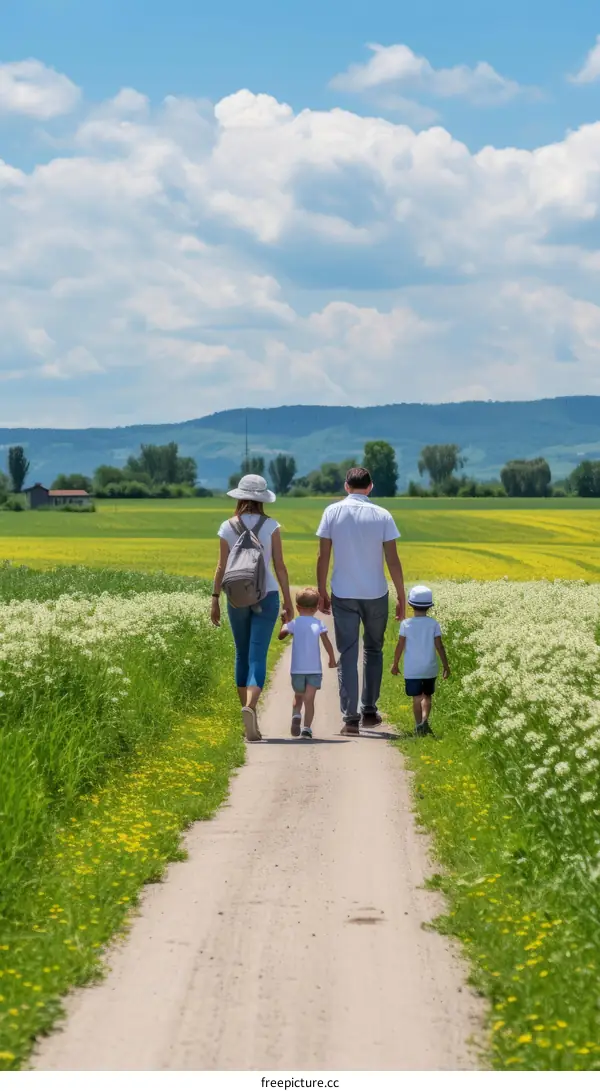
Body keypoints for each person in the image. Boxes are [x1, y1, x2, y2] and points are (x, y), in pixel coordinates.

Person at [316, 466, 406, 735]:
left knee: (348, 653)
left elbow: (323, 556)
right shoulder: (383, 515)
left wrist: (321, 590)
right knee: (374, 650)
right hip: (376, 593)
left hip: (343, 592)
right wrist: (401, 595)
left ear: (346, 486)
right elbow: (392, 559)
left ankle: (350, 718)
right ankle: (369, 710)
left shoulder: (331, 512)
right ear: (370, 487)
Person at [211, 474, 294, 742]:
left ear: (240, 497)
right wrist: (288, 602)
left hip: (235, 596)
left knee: (241, 653)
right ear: (261, 499)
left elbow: (221, 567)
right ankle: (251, 707)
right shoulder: (271, 527)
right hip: (266, 594)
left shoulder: (226, 527)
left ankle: (246, 714)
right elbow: (280, 567)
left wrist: (214, 598)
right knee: (258, 654)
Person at [390, 585, 450, 737]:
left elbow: (400, 645)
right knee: (427, 696)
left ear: (410, 604)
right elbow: (439, 646)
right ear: (430, 606)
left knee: (416, 697)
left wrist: (395, 663)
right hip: (430, 667)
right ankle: (425, 720)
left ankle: (418, 726)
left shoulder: (406, 624)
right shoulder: (433, 624)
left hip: (412, 669)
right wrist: (445, 665)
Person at [278, 587, 337, 740]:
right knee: (309, 700)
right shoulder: (319, 624)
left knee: (298, 696)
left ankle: (296, 715)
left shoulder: (295, 624)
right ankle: (306, 729)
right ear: (317, 607)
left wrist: (285, 622)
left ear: (298, 607)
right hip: (314, 669)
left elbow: (281, 636)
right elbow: (326, 642)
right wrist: (331, 658)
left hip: (297, 669)